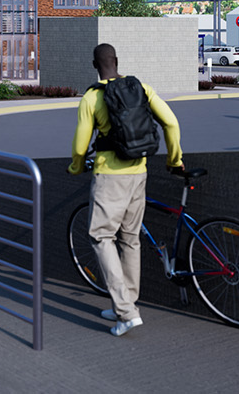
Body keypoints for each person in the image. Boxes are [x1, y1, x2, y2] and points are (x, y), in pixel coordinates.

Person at [68, 43, 183, 337]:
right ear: (117, 61)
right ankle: (127, 303)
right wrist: (174, 160)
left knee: (101, 236)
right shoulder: (141, 88)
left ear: (95, 65)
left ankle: (126, 312)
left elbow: (81, 146)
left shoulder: (93, 97)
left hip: (110, 177)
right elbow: (170, 122)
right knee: (130, 240)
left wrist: (76, 166)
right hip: (139, 172)